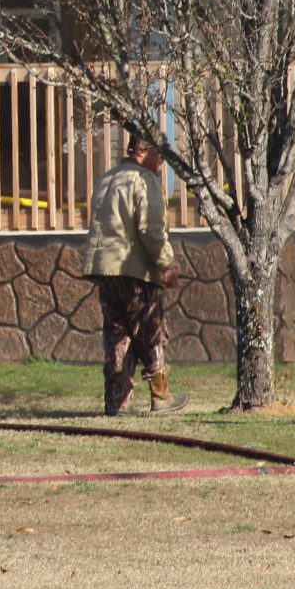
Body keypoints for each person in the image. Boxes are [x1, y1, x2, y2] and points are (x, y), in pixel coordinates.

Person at [83, 127, 187, 416]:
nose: (161, 161)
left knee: (117, 335)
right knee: (150, 331)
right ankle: (161, 396)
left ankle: (116, 402)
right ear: (141, 151)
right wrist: (166, 264)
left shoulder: (106, 179)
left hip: (105, 270)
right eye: (158, 153)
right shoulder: (144, 180)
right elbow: (151, 230)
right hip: (135, 270)